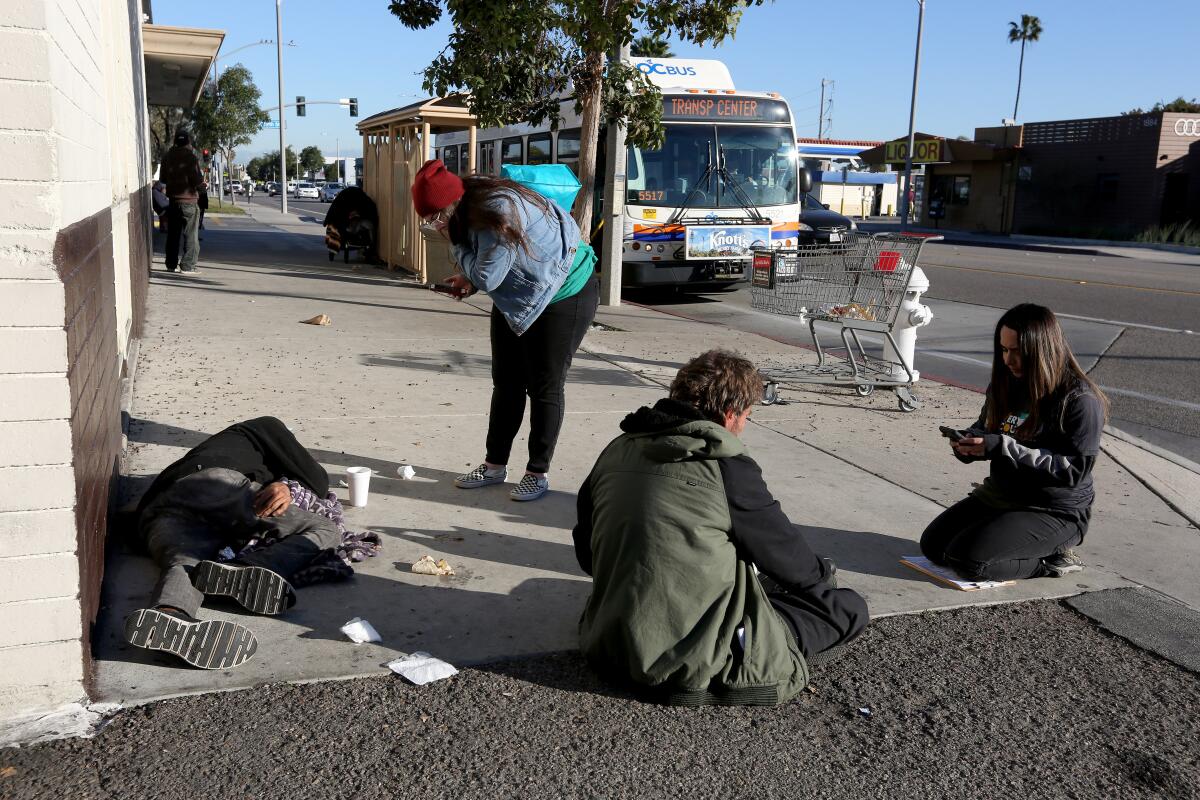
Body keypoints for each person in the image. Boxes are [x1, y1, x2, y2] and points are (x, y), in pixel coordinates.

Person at [573, 350, 869, 706]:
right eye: (746, 415)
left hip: (607, 639)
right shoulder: (725, 466)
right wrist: (823, 577)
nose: (744, 425)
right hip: (695, 656)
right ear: (729, 415)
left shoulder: (617, 449)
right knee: (848, 607)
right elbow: (788, 558)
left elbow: (587, 553)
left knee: (753, 579)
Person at [413, 159, 599, 502]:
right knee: (507, 381)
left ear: (453, 203)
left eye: (436, 218)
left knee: (544, 384)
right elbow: (487, 269)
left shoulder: (496, 214)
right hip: (522, 293)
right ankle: (494, 464)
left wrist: (459, 254)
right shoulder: (472, 203)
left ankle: (536, 473)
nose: (435, 225)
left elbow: (487, 276)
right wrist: (468, 278)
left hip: (566, 291)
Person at [125, 417, 343, 670]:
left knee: (186, 561)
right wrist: (285, 487)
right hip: (212, 484)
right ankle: (246, 567)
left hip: (154, 512)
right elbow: (317, 479)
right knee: (325, 529)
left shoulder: (219, 447)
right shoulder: (265, 428)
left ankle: (170, 613)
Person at [920, 304, 1108, 581]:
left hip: (1054, 511)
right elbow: (985, 429)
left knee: (968, 562)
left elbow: (1073, 470)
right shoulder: (1005, 384)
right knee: (933, 547)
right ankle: (1010, 540)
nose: (1009, 360)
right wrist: (969, 444)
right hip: (1001, 497)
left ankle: (1051, 562)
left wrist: (1001, 447)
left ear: (1043, 350)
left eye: (1018, 351)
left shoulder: (1080, 400)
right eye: (1004, 350)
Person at [160, 130, 204, 273]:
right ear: (188, 142)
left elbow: (163, 180)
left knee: (173, 234)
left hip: (173, 201)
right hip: (189, 201)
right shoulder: (191, 158)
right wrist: (202, 186)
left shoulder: (167, 157)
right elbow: (197, 180)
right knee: (191, 234)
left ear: (175, 142)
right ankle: (188, 266)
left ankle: (170, 264)